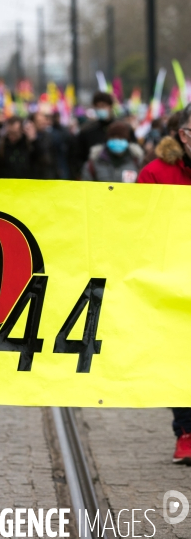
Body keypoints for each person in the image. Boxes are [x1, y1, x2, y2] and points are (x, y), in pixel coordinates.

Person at [138, 104, 191, 464]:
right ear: (181, 134)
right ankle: (186, 432)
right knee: (180, 359)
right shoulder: (155, 172)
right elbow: (139, 225)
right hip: (175, 280)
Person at [72, 91, 115, 178]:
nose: (100, 110)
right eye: (97, 107)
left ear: (110, 106)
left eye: (103, 106)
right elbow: (78, 157)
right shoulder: (87, 131)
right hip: (93, 178)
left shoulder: (122, 128)